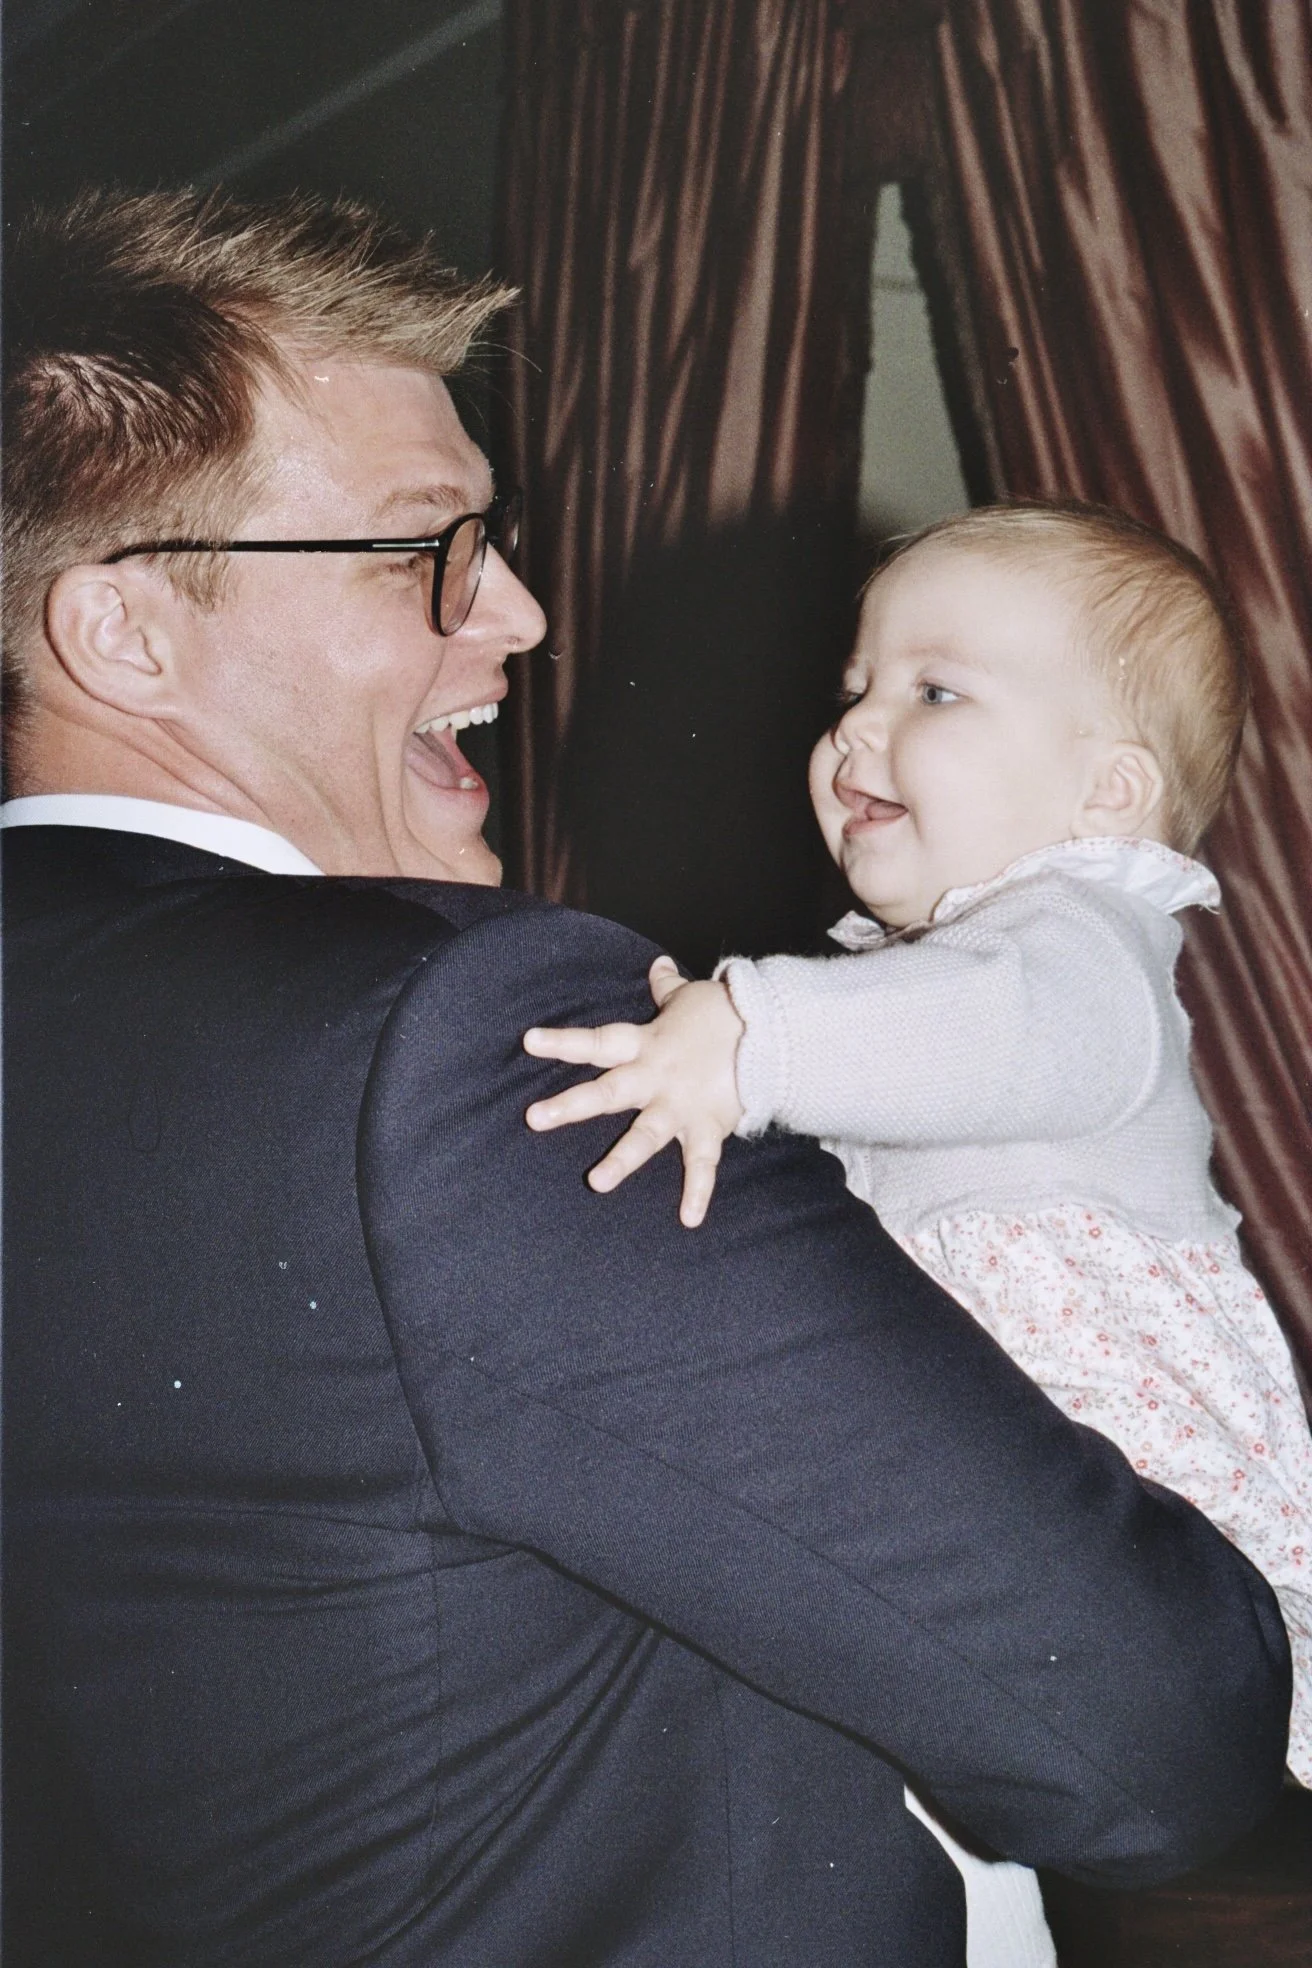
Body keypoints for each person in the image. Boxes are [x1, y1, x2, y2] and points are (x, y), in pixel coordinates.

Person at [1, 191, 1292, 1968]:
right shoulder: (443, 1043)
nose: (519, 617)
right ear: (128, 633)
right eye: (420, 551)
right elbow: (1153, 1740)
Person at [523, 503, 1312, 1956]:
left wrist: (746, 1031)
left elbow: (992, 1031)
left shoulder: (1085, 941)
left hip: (1134, 1513)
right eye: (854, 690)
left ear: (1107, 791)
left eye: (933, 692)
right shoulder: (918, 973)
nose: (854, 731)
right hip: (999, 1519)